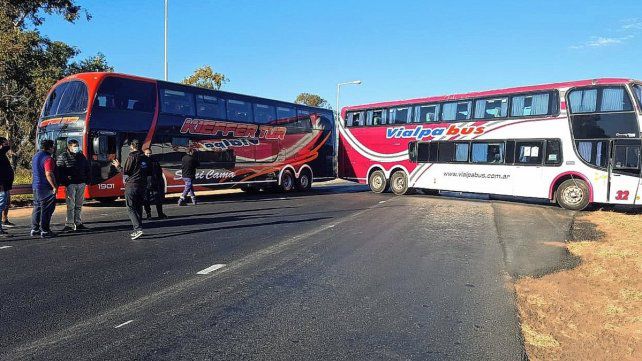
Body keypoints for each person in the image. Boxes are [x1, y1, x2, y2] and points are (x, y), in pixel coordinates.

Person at [112, 139, 149, 240]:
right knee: (138, 207)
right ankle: (138, 228)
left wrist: (117, 166)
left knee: (131, 207)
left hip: (132, 185)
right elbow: (148, 171)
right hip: (142, 185)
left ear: (132, 147)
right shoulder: (145, 157)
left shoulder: (132, 156)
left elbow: (126, 171)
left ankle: (137, 229)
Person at [57, 139, 91, 232]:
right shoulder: (63, 156)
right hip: (70, 184)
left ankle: (78, 223)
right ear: (69, 147)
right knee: (70, 205)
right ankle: (69, 224)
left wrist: (87, 180)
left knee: (79, 205)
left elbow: (87, 168)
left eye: (77, 145)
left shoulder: (81, 156)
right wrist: (66, 181)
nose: (76, 147)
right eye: (74, 146)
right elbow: (60, 171)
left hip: (81, 183)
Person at [31, 139, 58, 238]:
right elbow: (49, 173)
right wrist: (54, 186)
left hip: (36, 186)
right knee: (47, 209)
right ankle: (45, 231)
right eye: (53, 146)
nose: (54, 148)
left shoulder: (35, 156)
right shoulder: (48, 159)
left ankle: (35, 229)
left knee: (37, 207)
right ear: (50, 148)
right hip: (45, 187)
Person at [143, 148, 167, 219]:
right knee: (146, 200)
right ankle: (148, 214)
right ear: (144, 153)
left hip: (155, 182)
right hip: (146, 183)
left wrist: (159, 180)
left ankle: (160, 213)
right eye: (147, 153)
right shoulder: (142, 162)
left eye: (150, 153)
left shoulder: (155, 161)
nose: (148, 155)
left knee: (158, 199)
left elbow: (159, 172)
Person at [0, 137, 14, 238]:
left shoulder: (2, 155)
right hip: (1, 186)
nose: (7, 146)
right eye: (5, 144)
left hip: (4, 186)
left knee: (3, 206)